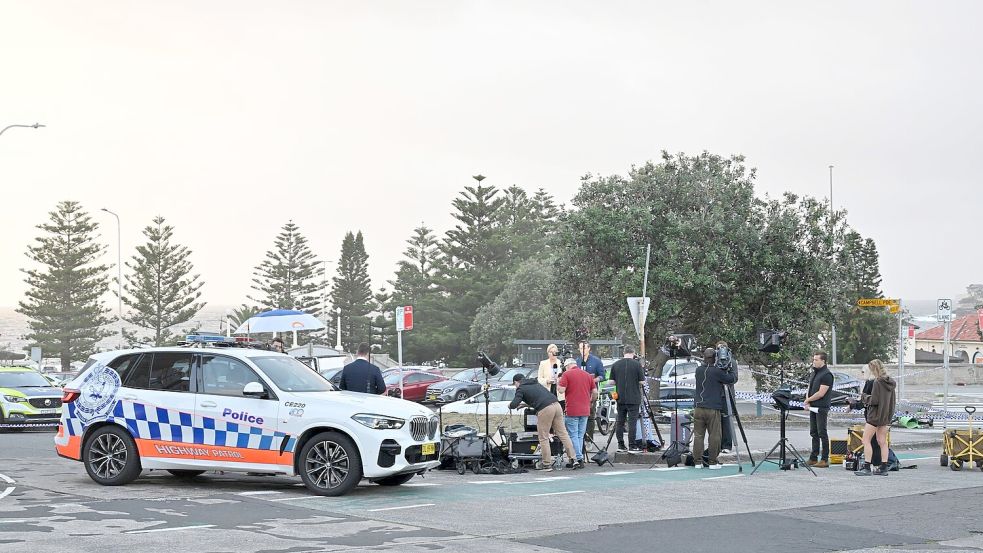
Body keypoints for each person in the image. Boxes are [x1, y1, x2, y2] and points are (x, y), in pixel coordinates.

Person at [509, 373, 577, 471]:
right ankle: (574, 459)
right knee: (563, 434)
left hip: (545, 410)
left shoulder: (521, 388)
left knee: (543, 437)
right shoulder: (535, 383)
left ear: (516, 382)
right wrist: (525, 405)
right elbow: (539, 398)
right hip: (556, 405)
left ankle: (547, 464)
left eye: (514, 384)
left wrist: (510, 406)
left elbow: (514, 404)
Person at [851, 359, 897, 476]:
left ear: (874, 369)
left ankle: (867, 466)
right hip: (885, 416)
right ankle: (884, 467)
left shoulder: (877, 382)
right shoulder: (890, 383)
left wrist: (864, 397)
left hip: (875, 415)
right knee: (882, 441)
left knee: (865, 440)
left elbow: (874, 400)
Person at [693, 348, 737, 468]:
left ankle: (697, 462)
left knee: (698, 435)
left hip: (698, 408)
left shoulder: (698, 370)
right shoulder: (717, 372)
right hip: (712, 408)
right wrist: (730, 366)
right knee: (714, 435)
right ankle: (712, 461)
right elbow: (732, 379)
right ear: (715, 357)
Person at [558, 357, 597, 469]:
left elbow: (561, 390)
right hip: (585, 409)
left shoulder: (567, 374)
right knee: (580, 435)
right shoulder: (587, 375)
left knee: (573, 435)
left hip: (572, 409)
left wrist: (558, 382)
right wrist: (590, 401)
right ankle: (580, 458)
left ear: (567, 366)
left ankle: (578, 458)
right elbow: (595, 392)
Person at [609, 346, 646, 453]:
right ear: (633, 353)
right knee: (632, 422)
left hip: (620, 397)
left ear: (624, 353)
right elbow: (642, 382)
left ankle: (621, 445)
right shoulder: (637, 365)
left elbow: (611, 382)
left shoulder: (616, 364)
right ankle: (632, 445)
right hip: (633, 397)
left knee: (620, 422)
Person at [804, 351, 834, 468]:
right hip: (813, 406)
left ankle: (825, 459)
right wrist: (808, 400)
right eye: (813, 359)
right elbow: (810, 388)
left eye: (816, 360)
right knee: (813, 432)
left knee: (822, 432)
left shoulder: (827, 375)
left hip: (821, 407)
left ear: (823, 361)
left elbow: (821, 393)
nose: (814, 361)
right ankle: (813, 457)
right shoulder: (814, 373)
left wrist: (808, 400)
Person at [577, 341, 606, 443]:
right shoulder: (577, 361)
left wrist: (593, 380)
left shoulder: (596, 361)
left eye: (584, 348)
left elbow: (603, 376)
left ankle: (589, 439)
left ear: (589, 348)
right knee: (578, 415)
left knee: (590, 414)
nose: (582, 350)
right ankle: (580, 439)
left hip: (590, 391)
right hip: (578, 392)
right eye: (580, 348)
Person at [538, 344, 564, 408]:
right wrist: (547, 381)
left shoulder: (561, 363)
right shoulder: (543, 363)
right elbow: (539, 379)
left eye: (554, 352)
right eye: (550, 352)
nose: (552, 354)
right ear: (548, 353)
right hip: (548, 390)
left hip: (559, 391)